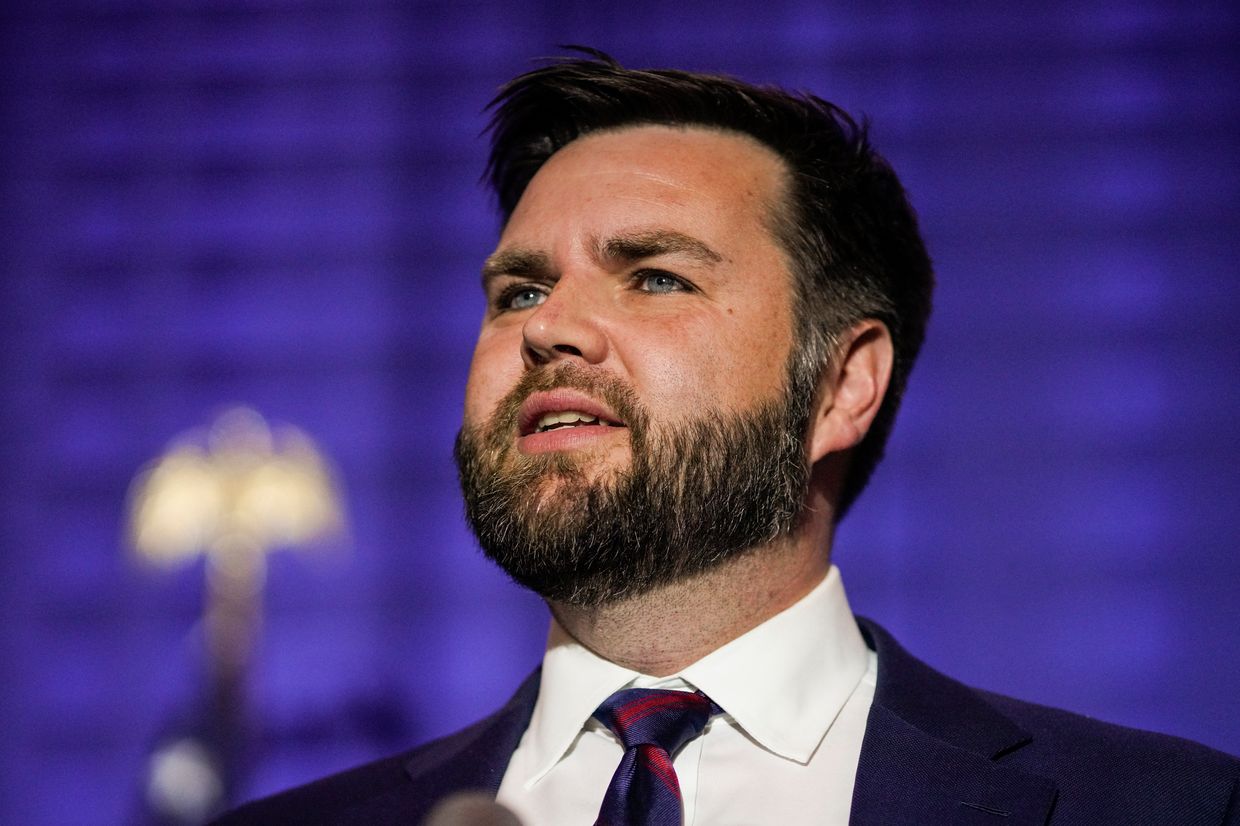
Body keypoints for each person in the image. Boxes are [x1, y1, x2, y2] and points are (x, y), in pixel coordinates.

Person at [215, 51, 1238, 826]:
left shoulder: (1171, 807)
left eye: (655, 275)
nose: (546, 326)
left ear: (841, 385)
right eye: (518, 289)